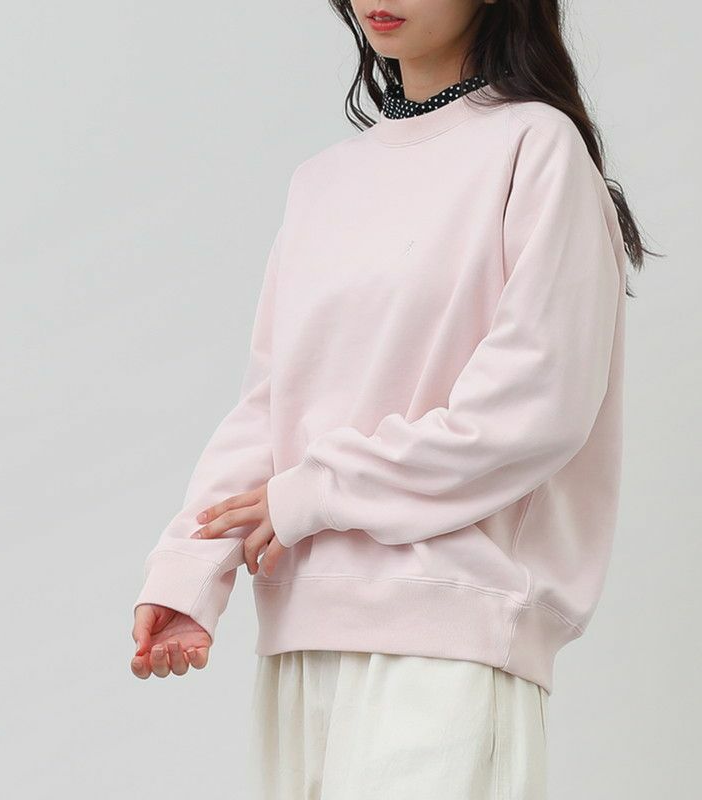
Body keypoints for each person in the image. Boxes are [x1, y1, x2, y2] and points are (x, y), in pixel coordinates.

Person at [130, 1, 653, 796]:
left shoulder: (536, 147)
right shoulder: (323, 181)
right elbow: (270, 404)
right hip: (302, 638)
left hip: (447, 640)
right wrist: (189, 571)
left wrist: (317, 491)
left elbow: (531, 411)